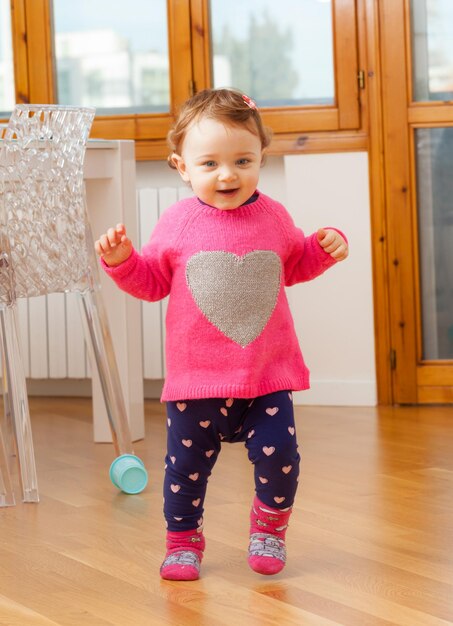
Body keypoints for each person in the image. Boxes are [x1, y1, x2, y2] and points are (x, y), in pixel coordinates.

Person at [95, 88, 348, 581]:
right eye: (209, 163)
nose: (228, 174)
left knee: (283, 461)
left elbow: (291, 264)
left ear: (260, 158)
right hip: (197, 383)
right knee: (184, 473)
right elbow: (151, 284)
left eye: (242, 160)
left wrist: (324, 248)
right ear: (181, 166)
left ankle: (269, 530)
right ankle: (182, 541)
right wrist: (122, 261)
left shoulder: (273, 216)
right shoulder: (176, 223)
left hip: (266, 378)